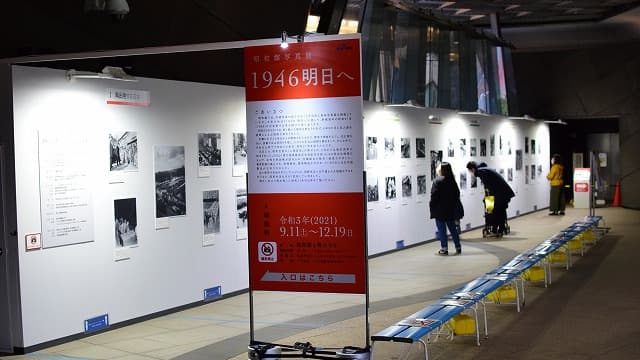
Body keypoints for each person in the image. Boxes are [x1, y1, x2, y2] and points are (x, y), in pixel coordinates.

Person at [466, 161, 515, 235]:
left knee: (497, 211)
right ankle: (497, 228)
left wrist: (487, 198)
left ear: (472, 169)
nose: (471, 173)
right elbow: (490, 185)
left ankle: (498, 229)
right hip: (503, 193)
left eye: (470, 171)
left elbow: (489, 186)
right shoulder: (484, 169)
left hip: (501, 194)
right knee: (499, 210)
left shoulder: (481, 171)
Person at [429, 162, 463, 256]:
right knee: (453, 229)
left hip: (440, 210)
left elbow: (434, 196)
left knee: (442, 230)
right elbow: (457, 194)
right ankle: (458, 246)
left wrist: (432, 207)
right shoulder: (452, 180)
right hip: (450, 209)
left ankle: (444, 248)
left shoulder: (437, 181)